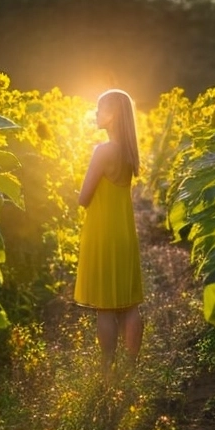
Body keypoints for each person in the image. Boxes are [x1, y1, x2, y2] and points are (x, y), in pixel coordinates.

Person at [74, 88, 143, 380]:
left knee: (105, 307)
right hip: (124, 232)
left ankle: (107, 370)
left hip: (103, 233)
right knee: (129, 305)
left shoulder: (103, 151)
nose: (95, 114)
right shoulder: (128, 151)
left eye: (100, 109)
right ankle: (130, 368)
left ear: (112, 114)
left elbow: (84, 197)